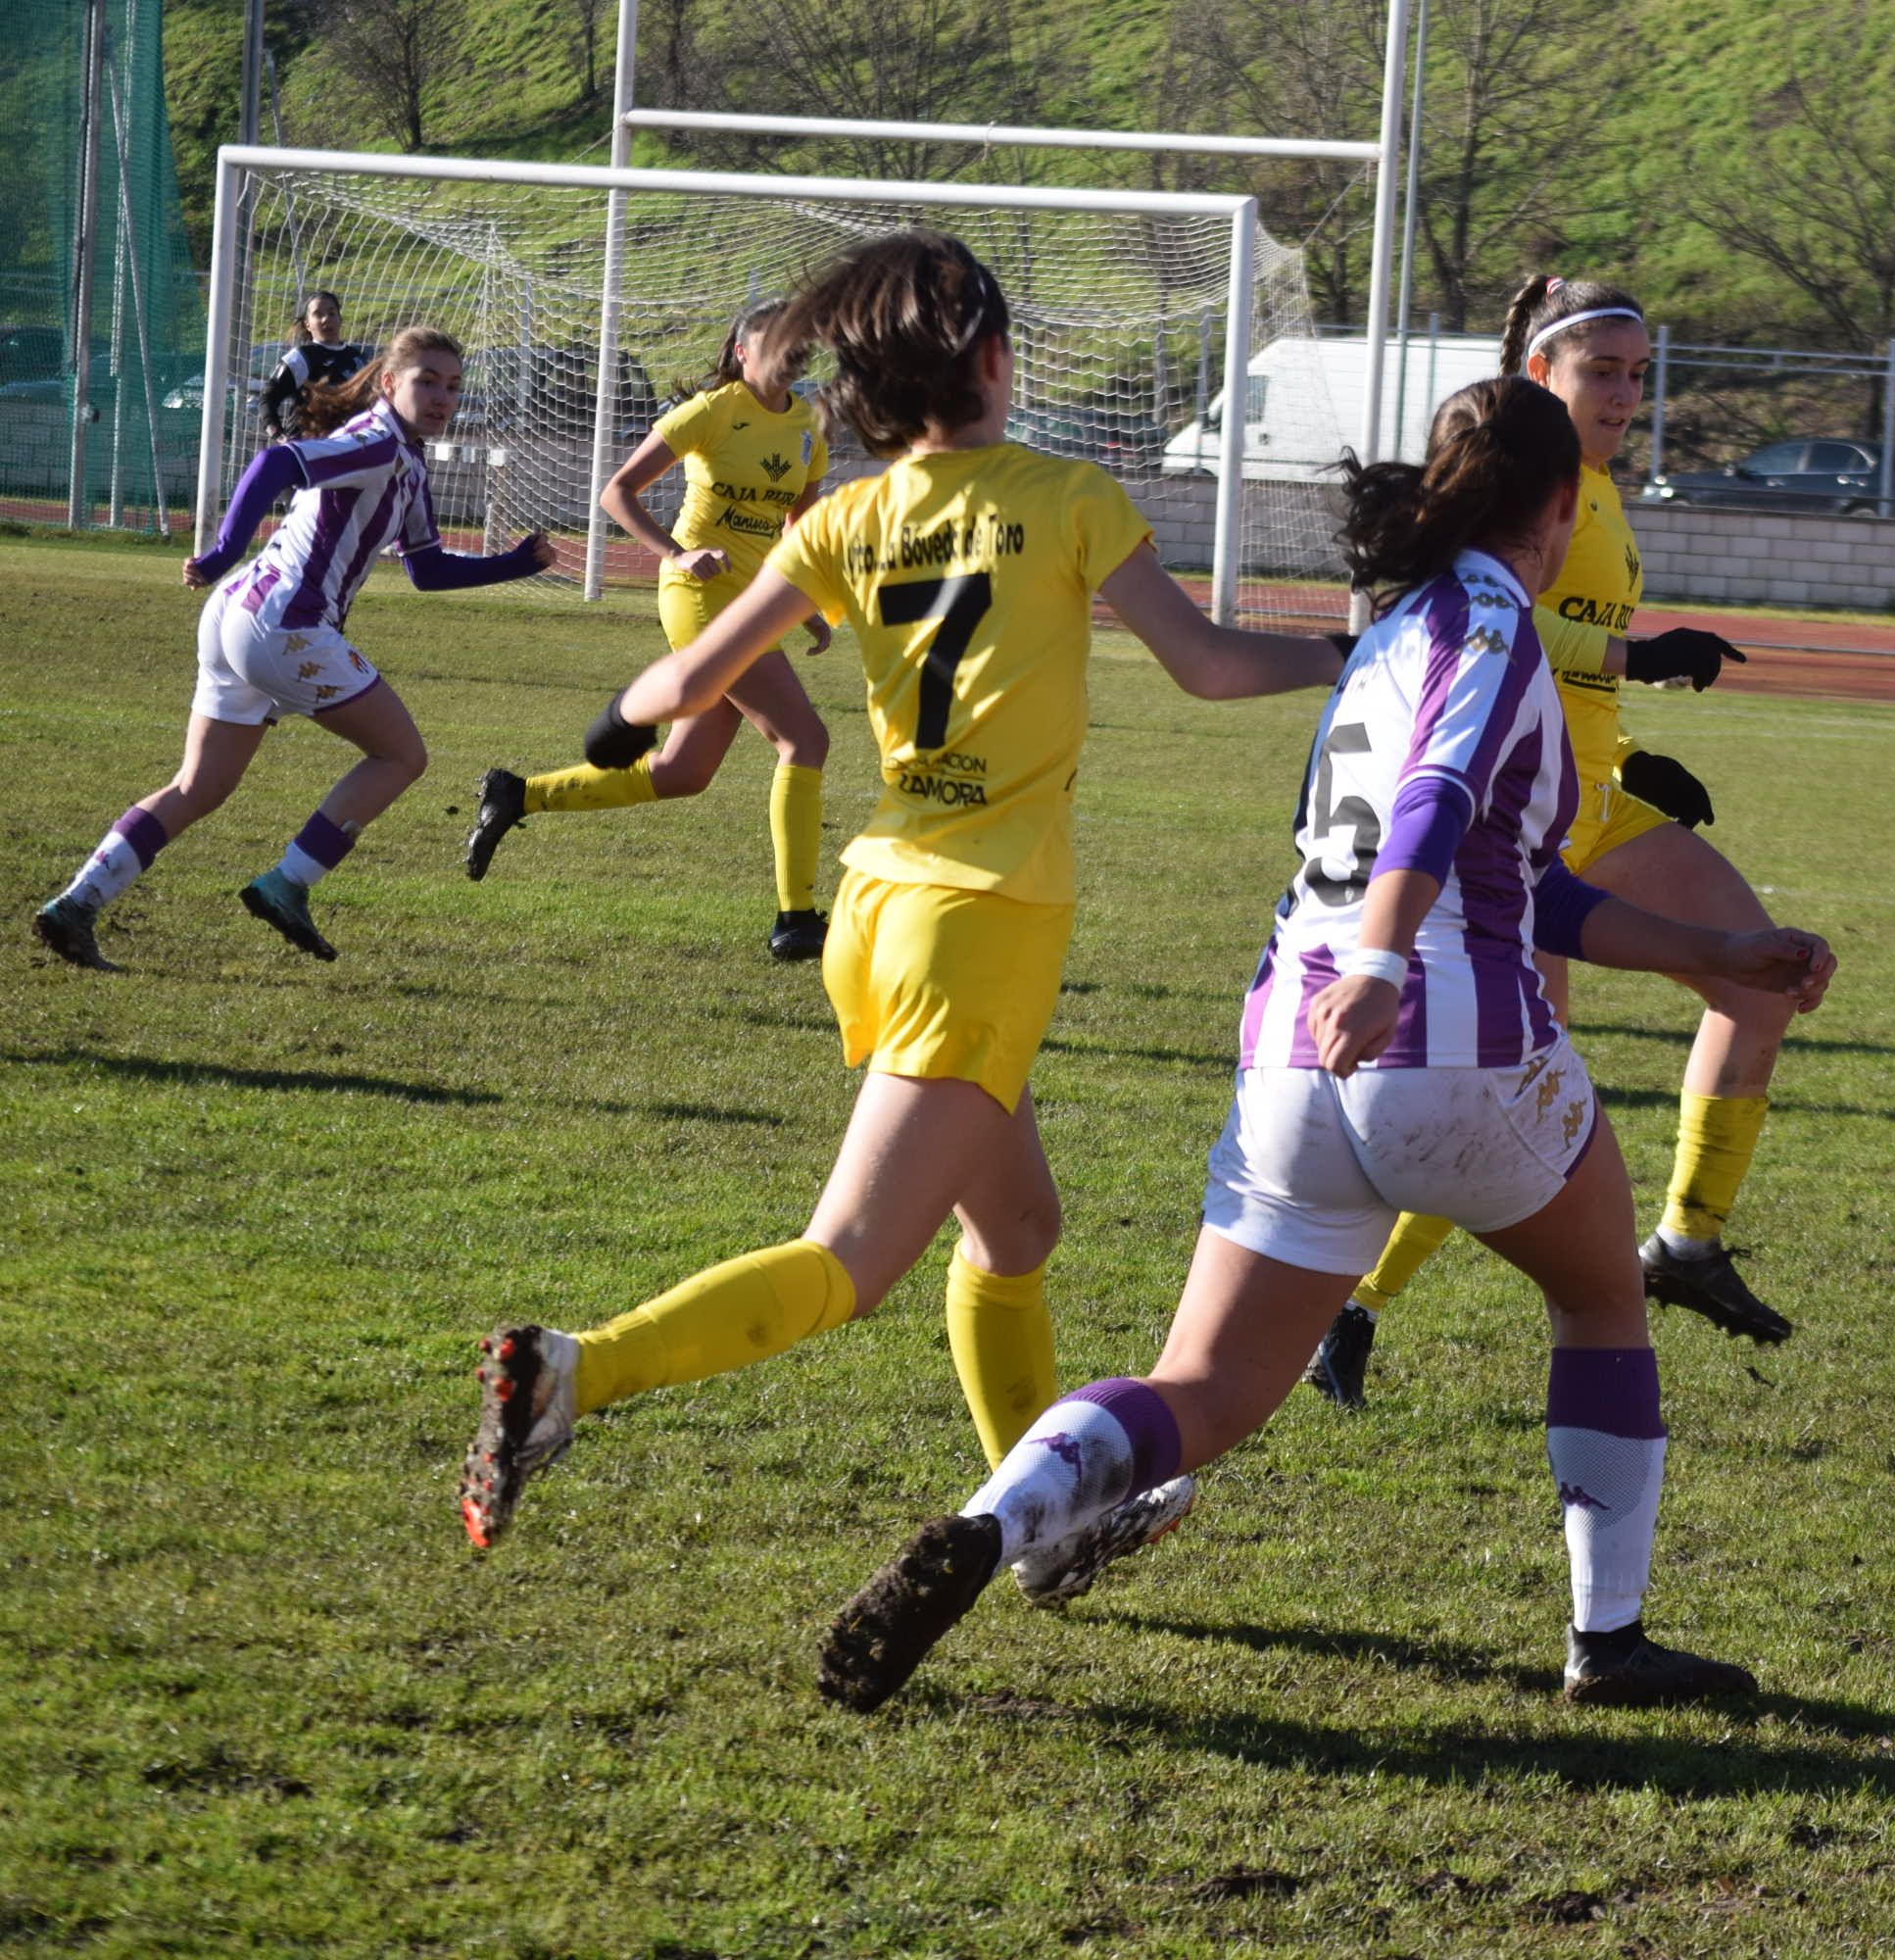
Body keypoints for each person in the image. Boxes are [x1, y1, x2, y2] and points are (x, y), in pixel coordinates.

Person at [813, 375, 1837, 1715]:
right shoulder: (1490, 624)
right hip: (1438, 1041)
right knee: (1599, 1296)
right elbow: (1434, 801)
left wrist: (1710, 955)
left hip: (1290, 1067)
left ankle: (994, 1526)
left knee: (1202, 1385)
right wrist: (1379, 964)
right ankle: (1610, 1639)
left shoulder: (1389, 628)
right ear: (1561, 505)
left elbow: (1515, 877)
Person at [456, 232, 1346, 1591]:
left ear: (862, 395)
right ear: (995, 360)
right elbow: (1211, 666)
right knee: (850, 1261)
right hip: (979, 921)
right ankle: (580, 1371)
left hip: (880, 904)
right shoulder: (1068, 496)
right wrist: (1356, 650)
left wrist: (623, 716)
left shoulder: (842, 519)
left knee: (1017, 1235)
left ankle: (1052, 1525)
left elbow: (685, 679)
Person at [1304, 272, 1798, 1410]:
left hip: (1593, 794)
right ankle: (1354, 1298)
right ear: (1541, 373)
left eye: (1638, 371)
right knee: (1514, 1077)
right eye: (1602, 370)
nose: (1626, 391)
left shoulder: (1601, 490)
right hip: (1515, 810)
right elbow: (1493, 621)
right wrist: (1643, 654)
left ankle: (1685, 1241)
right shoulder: (1519, 486)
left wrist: (1630, 753)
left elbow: (1565, 655)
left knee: (1759, 974)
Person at [33, 326, 551, 972]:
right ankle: (289, 882)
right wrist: (221, 549)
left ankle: (76, 905)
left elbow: (427, 569)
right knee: (400, 754)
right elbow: (276, 462)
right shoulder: (377, 442)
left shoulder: (406, 462)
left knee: (197, 786)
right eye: (427, 382)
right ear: (390, 383)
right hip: (285, 625)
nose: (444, 397)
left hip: (239, 616)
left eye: (452, 386)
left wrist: (512, 564)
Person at [462, 299, 840, 959]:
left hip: (752, 603)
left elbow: (796, 530)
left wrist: (803, 600)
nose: (789, 351)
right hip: (698, 594)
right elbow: (617, 492)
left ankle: (518, 794)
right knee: (804, 739)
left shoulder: (809, 426)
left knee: (682, 773)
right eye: (773, 342)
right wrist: (678, 553)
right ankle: (798, 918)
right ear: (742, 353)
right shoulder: (712, 410)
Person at [260, 291, 373, 440]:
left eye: (332, 313)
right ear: (307, 324)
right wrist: (278, 434)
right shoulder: (300, 358)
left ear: (340, 318)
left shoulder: (357, 358)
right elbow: (267, 398)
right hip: (309, 448)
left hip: (347, 447)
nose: (326, 319)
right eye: (318, 314)